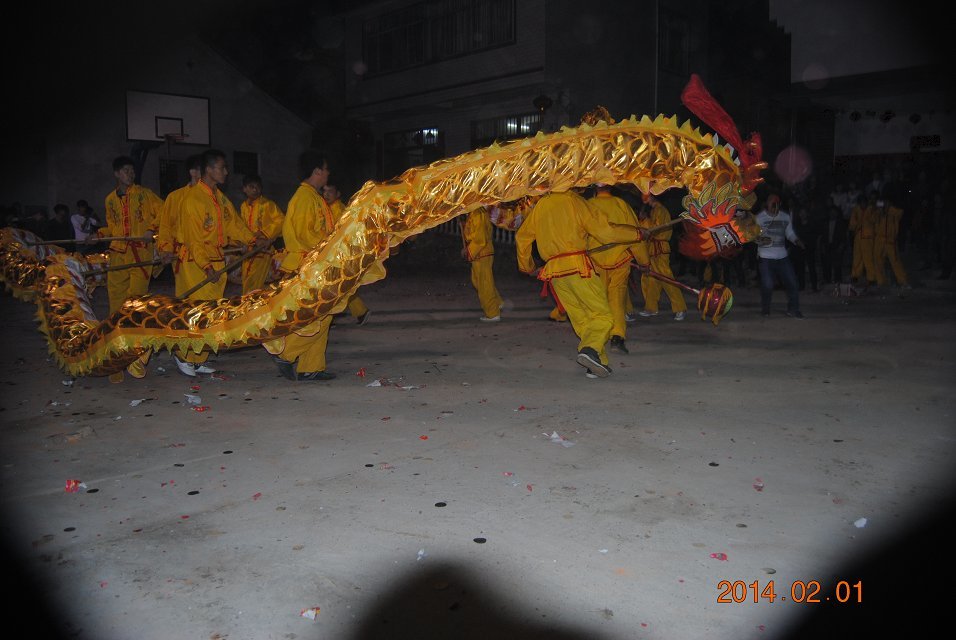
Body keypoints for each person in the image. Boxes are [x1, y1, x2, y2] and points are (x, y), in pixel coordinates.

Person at [516, 187, 645, 378]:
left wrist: (527, 266)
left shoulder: (541, 204)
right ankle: (591, 350)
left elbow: (522, 237)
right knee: (603, 317)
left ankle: (596, 362)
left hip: (555, 272)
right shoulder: (575, 202)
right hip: (577, 267)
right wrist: (637, 234)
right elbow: (606, 232)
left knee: (584, 320)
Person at [175, 149, 268, 377]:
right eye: (221, 167)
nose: (226, 171)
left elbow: (233, 224)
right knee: (196, 312)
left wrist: (253, 239)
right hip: (196, 265)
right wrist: (206, 266)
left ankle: (199, 358)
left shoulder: (219, 198)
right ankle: (183, 354)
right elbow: (194, 239)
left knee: (212, 314)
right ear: (208, 169)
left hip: (216, 262)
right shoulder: (192, 199)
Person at [263, 150, 339, 381]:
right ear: (317, 171)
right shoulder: (305, 197)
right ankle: (286, 354)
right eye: (326, 169)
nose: (328, 173)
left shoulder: (312, 196)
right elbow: (307, 234)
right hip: (308, 265)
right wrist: (331, 245)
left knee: (321, 315)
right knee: (320, 314)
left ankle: (311, 367)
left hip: (315, 263)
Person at [585, 184, 641, 353]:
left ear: (595, 189)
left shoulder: (587, 206)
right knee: (617, 296)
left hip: (595, 261)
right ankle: (617, 336)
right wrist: (643, 261)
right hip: (620, 259)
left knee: (598, 298)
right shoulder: (622, 205)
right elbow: (636, 235)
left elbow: (578, 233)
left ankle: (597, 336)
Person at [634, 191, 688, 321]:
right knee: (651, 279)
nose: (642, 196)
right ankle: (651, 308)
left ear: (651, 195)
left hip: (660, 249)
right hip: (652, 249)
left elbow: (656, 229)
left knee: (666, 277)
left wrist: (644, 222)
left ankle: (680, 307)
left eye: (644, 193)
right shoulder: (653, 211)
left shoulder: (660, 210)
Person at [322, 183, 371, 324]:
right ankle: (360, 312)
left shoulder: (339, 210)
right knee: (339, 287)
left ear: (338, 194)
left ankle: (332, 318)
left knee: (335, 286)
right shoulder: (329, 209)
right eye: (324, 191)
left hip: (338, 253)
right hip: (334, 253)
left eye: (330, 191)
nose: (326, 194)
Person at [156, 154, 202, 297]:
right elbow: (165, 226)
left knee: (208, 299)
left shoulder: (216, 198)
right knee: (187, 297)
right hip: (184, 257)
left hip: (210, 255)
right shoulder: (175, 197)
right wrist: (166, 249)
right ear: (193, 172)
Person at [755, 193, 805, 318]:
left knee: (793, 282)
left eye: (776, 204)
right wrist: (760, 240)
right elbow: (752, 236)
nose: (773, 206)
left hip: (782, 256)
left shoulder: (785, 217)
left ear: (779, 204)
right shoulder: (759, 218)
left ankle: (793, 309)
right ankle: (765, 309)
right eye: (771, 203)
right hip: (765, 256)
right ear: (767, 204)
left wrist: (797, 241)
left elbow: (789, 233)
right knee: (767, 285)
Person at [240, 174, 285, 294]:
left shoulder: (268, 205)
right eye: (251, 187)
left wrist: (264, 233)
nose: (255, 189)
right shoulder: (243, 207)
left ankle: (250, 306)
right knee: (247, 278)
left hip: (263, 249)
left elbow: (281, 220)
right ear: (244, 189)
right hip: (250, 249)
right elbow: (241, 227)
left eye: (258, 187)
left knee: (254, 280)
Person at [459, 205, 503, 322]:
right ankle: (497, 303)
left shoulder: (478, 213)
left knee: (484, 283)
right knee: (478, 280)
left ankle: (493, 313)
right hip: (479, 253)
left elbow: (480, 238)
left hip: (482, 252)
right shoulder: (473, 213)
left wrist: (469, 251)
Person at [872, 197, 910, 289]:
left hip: (890, 240)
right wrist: (879, 211)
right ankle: (881, 282)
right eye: (881, 203)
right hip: (879, 240)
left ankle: (903, 282)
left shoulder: (893, 212)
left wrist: (888, 209)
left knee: (895, 262)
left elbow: (900, 213)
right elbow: (872, 220)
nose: (883, 205)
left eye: (885, 202)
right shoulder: (877, 213)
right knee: (878, 261)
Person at [849, 193, 879, 289]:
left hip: (868, 236)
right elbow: (852, 224)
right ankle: (855, 275)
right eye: (861, 202)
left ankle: (871, 277)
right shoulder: (855, 210)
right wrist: (857, 225)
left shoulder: (872, 209)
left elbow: (875, 220)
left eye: (864, 202)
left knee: (868, 257)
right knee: (857, 256)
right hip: (858, 235)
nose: (863, 204)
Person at [790, 202, 822, 292]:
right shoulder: (797, 224)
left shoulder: (812, 223)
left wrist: (807, 243)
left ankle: (814, 286)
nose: (802, 215)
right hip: (799, 249)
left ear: (807, 213)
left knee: (811, 268)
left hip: (809, 248)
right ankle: (801, 286)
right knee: (800, 268)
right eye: (801, 213)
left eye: (804, 213)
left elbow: (814, 236)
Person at [820, 204, 848, 285]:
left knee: (837, 264)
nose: (832, 213)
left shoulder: (841, 223)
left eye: (834, 212)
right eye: (831, 212)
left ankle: (838, 280)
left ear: (837, 213)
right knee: (827, 264)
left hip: (837, 245)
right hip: (827, 245)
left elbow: (844, 237)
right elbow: (823, 236)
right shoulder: (825, 223)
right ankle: (827, 279)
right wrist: (822, 246)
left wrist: (841, 246)